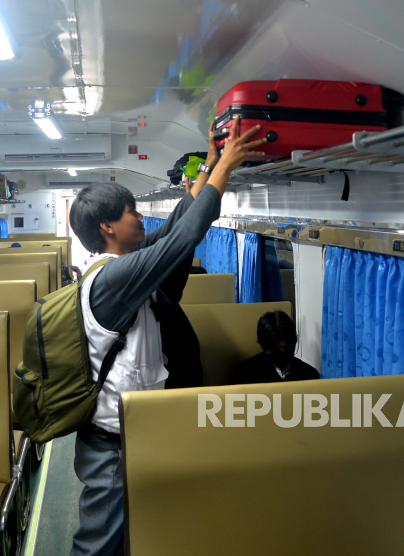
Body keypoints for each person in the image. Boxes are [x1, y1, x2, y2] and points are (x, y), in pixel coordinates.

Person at [68, 116, 265, 556]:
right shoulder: (114, 277)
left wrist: (201, 175)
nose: (140, 217)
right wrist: (225, 168)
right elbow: (185, 237)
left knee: (131, 534)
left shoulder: (125, 264)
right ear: (107, 227)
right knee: (99, 544)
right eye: (131, 212)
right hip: (112, 442)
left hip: (136, 427)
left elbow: (173, 230)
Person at [232, 311, 320, 385]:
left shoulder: (309, 375)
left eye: (286, 348)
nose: (282, 352)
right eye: (276, 349)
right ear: (265, 347)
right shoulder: (245, 373)